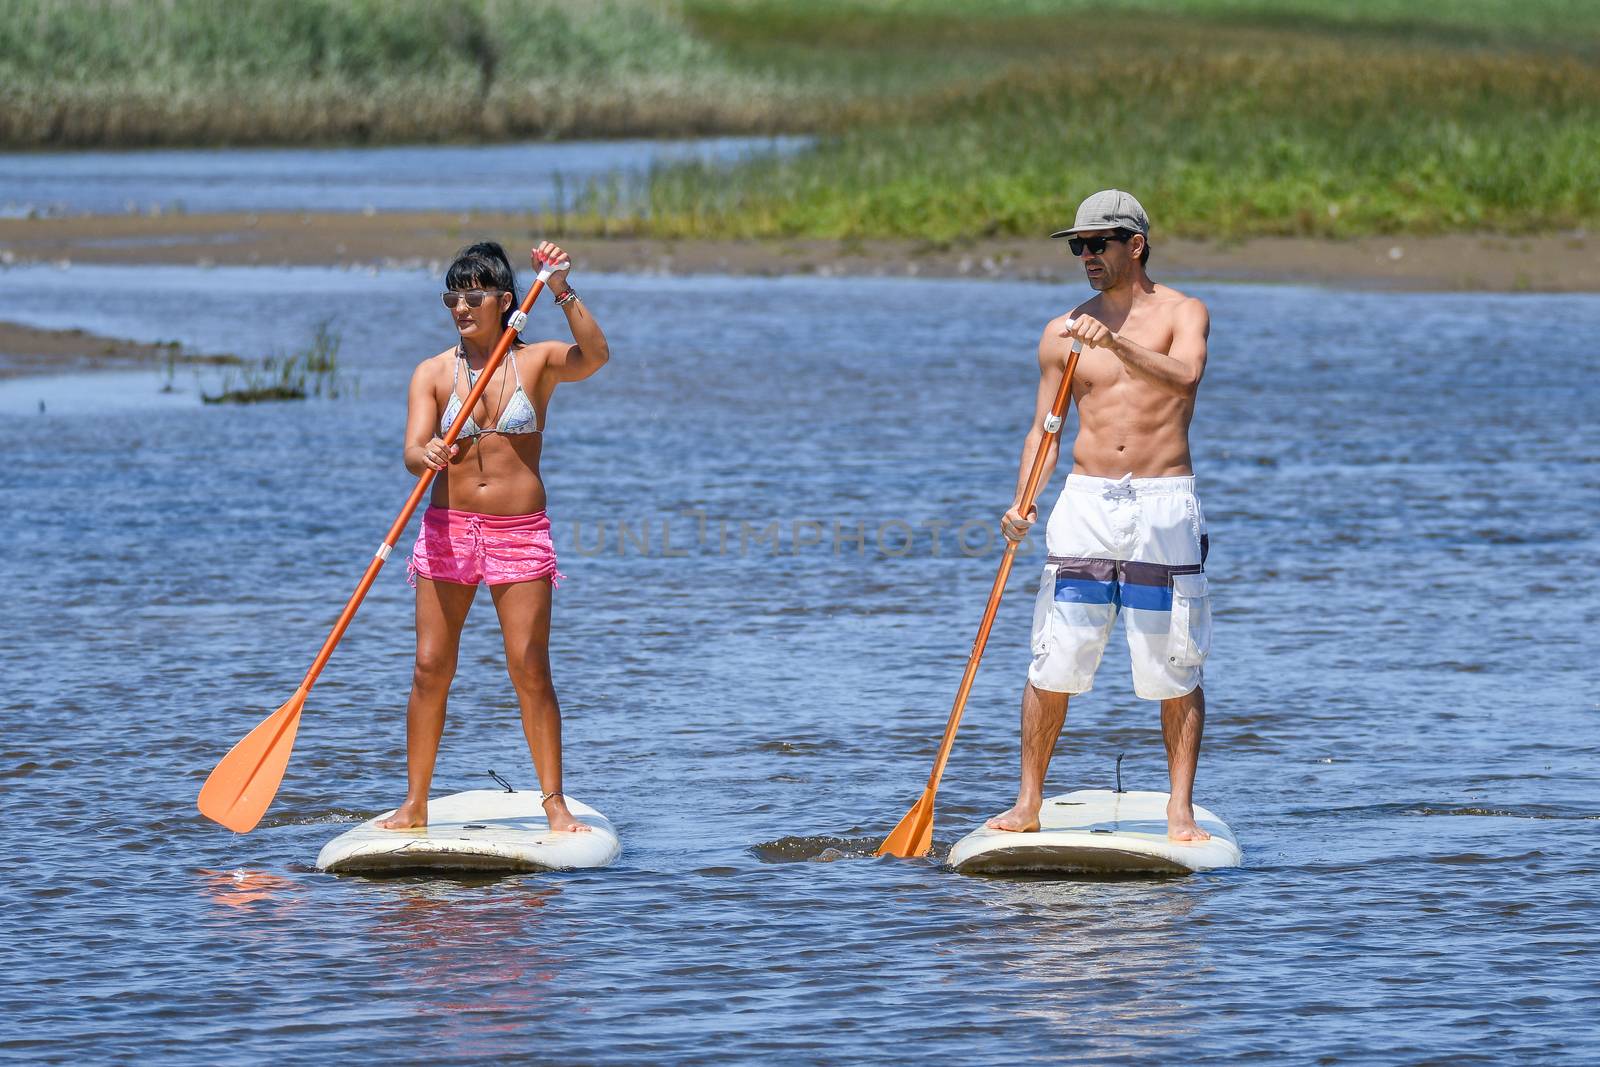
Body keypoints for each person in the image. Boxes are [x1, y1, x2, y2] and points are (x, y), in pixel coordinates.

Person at [987, 190, 1215, 841]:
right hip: (1085, 502)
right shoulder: (1062, 331)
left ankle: (1180, 810)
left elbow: (1185, 377)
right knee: (1054, 658)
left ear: (1134, 245)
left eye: (1097, 243)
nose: (1085, 256)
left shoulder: (1183, 311)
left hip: (1161, 501)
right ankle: (1028, 802)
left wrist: (1115, 343)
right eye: (1076, 246)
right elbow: (1045, 430)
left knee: (1173, 661)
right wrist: (1022, 499)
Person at [378, 240, 609, 832]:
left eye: (473, 296)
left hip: (519, 531)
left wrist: (559, 286)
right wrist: (424, 452)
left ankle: (554, 804)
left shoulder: (536, 363)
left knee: (529, 665)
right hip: (447, 531)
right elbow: (410, 451)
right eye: (451, 296)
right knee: (430, 665)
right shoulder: (432, 373)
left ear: (505, 301)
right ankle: (415, 804)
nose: (460, 306)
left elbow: (597, 356)